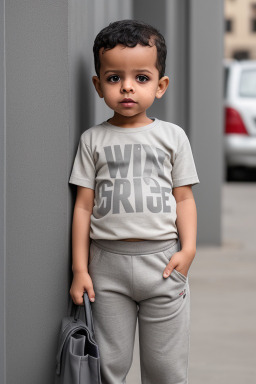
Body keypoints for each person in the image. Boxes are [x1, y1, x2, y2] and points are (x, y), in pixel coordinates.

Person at [68, 19, 200, 384]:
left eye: (141, 78)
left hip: (162, 264)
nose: (127, 86)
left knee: (166, 368)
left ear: (160, 86)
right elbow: (82, 206)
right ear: (98, 85)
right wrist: (80, 269)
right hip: (106, 268)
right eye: (114, 78)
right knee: (108, 366)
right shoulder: (92, 140)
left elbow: (184, 197)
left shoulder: (172, 137)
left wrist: (188, 250)